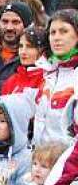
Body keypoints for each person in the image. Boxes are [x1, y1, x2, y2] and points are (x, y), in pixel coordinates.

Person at [32, 8, 78, 147]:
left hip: (69, 165)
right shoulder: (47, 74)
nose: (56, 37)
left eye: (64, 31)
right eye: (52, 32)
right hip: (41, 162)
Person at [0, 24, 47, 97]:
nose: (23, 52)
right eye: (21, 46)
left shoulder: (48, 79)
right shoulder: (11, 81)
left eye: (30, 46)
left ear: (42, 50)